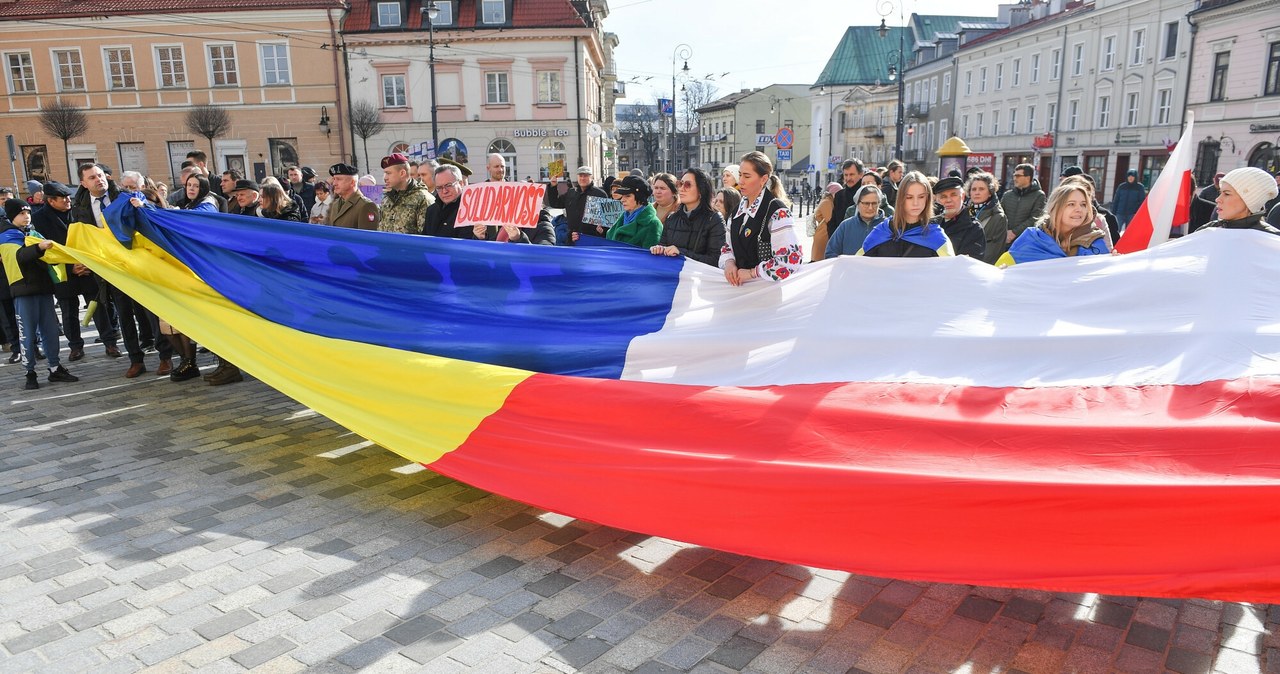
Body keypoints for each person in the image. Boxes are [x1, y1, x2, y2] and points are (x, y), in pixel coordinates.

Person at [1, 199, 79, 389]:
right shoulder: (6, 236)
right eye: (21, 213)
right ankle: (30, 372)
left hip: (44, 289)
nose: (26, 216)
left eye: (28, 212)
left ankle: (54, 368)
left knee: (50, 331)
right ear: (12, 216)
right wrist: (39, 248)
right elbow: (20, 257)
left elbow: (53, 257)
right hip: (23, 291)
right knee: (26, 334)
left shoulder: (33, 233)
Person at [719, 151, 803, 284]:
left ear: (763, 179)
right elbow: (727, 246)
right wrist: (729, 262)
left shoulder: (776, 211)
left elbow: (790, 260)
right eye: (740, 175)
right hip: (739, 292)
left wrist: (753, 273)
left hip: (767, 294)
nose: (740, 181)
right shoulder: (737, 211)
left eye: (747, 176)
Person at [998, 177, 1113, 267]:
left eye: (1083, 204)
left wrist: (1115, 265)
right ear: (1055, 208)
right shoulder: (1032, 240)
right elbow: (1004, 269)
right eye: (1071, 204)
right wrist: (1004, 272)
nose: (1079, 209)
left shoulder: (1096, 243)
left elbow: (1104, 285)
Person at [859, 171, 954, 257]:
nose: (915, 203)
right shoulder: (882, 231)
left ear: (927, 198)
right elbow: (856, 265)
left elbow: (952, 270)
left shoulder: (937, 237)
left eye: (921, 197)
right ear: (901, 198)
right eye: (909, 197)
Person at [650, 168, 725, 266]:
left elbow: (716, 260)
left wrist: (681, 253)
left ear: (701, 190)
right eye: (680, 184)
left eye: (688, 185)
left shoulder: (714, 219)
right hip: (674, 277)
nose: (681, 188)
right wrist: (658, 249)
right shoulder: (671, 218)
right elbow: (663, 247)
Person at [1194, 167, 1280, 236]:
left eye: (1227, 194)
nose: (1218, 199)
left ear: (1249, 201)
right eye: (1220, 193)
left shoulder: (1271, 240)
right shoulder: (1206, 231)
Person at [547, 166, 609, 244]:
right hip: (573, 239)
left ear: (591, 177)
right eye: (580, 175)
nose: (582, 178)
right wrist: (553, 186)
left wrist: (602, 230)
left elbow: (608, 219)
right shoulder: (571, 193)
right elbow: (555, 203)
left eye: (586, 176)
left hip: (593, 240)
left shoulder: (600, 194)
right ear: (577, 177)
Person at [378, 153, 434, 235]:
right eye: (385, 173)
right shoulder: (387, 198)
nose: (385, 177)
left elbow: (425, 237)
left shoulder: (423, 198)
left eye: (388, 173)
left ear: (402, 173)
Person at [826, 185, 888, 258]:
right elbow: (830, 253)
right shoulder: (846, 226)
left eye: (874, 203)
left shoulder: (888, 226)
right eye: (866, 203)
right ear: (857, 204)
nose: (870, 208)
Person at [933, 176, 986, 260]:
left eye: (953, 195)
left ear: (963, 197)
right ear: (937, 200)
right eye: (943, 197)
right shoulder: (930, 225)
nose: (948, 200)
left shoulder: (973, 228)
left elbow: (970, 264)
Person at [606, 175, 662, 248]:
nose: (622, 200)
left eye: (628, 196)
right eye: (622, 196)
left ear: (640, 197)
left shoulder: (653, 224)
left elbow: (649, 257)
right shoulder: (623, 218)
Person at [1000, 163, 1047, 246]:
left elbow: (1035, 218)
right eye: (1014, 175)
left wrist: (1014, 232)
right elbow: (1000, 215)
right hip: (1004, 240)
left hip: (1024, 242)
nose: (1014, 178)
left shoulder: (1039, 196)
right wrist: (1004, 232)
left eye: (1018, 176)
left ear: (1028, 178)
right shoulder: (1007, 195)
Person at [966, 172, 1008, 264]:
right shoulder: (963, 211)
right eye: (973, 189)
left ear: (990, 193)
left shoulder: (998, 217)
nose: (977, 192)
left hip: (980, 267)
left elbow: (995, 251)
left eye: (981, 189)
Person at [326, 164, 379, 229]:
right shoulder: (335, 204)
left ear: (352, 183)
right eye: (334, 179)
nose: (334, 183)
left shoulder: (366, 206)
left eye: (339, 179)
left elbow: (366, 237)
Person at [421, 164, 467, 238]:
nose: (444, 191)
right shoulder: (431, 210)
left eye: (448, 185)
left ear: (461, 183)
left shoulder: (470, 210)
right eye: (439, 188)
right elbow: (425, 241)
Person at [808, 182, 843, 262]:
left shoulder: (828, 201)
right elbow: (830, 218)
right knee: (820, 260)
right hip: (824, 234)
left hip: (824, 233)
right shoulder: (827, 202)